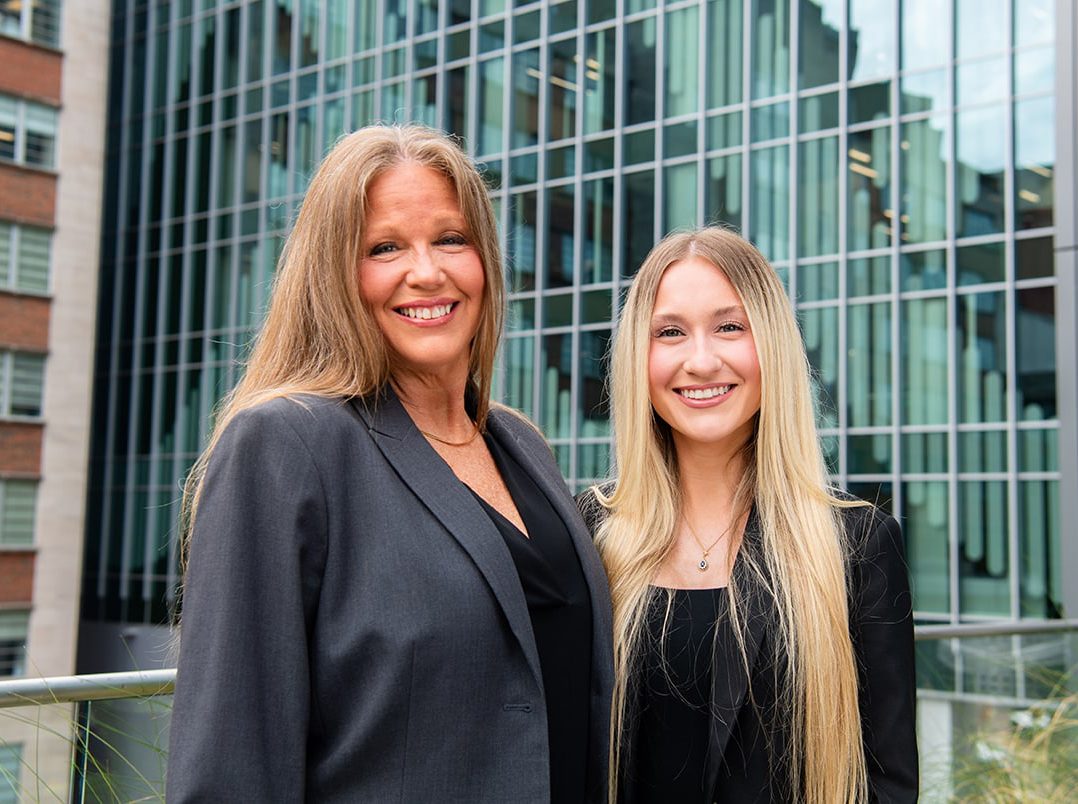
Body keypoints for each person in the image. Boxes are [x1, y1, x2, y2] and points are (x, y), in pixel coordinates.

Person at [167, 123, 614, 802]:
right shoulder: (284, 446)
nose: (427, 271)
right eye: (384, 247)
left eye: (450, 239)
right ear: (336, 274)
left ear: (486, 260)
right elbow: (231, 762)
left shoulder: (522, 445)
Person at [578, 227, 917, 803]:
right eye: (670, 332)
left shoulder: (858, 545)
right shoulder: (590, 529)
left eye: (730, 327)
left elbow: (887, 784)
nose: (702, 360)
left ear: (772, 345)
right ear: (641, 354)